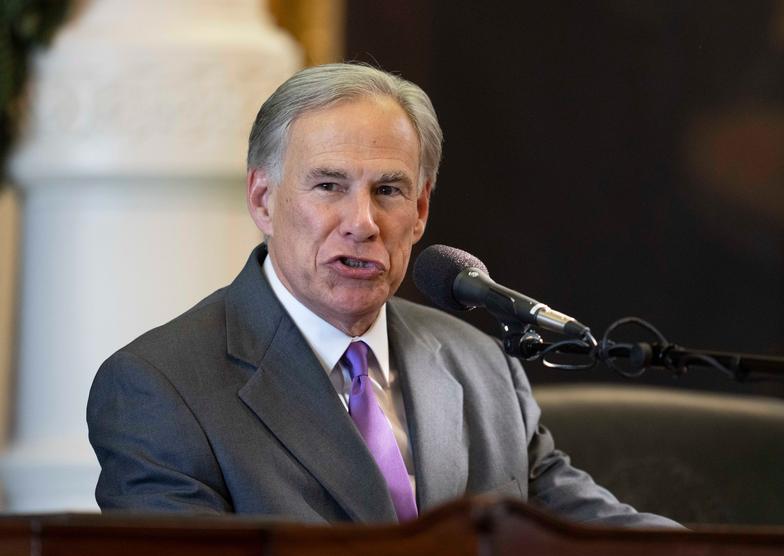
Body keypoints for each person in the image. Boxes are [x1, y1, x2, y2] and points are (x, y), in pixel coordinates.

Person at [87, 63, 680, 528]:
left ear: (420, 211)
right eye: (329, 185)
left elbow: (588, 531)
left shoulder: (481, 365)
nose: (362, 222)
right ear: (264, 200)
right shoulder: (157, 388)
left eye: (389, 190)